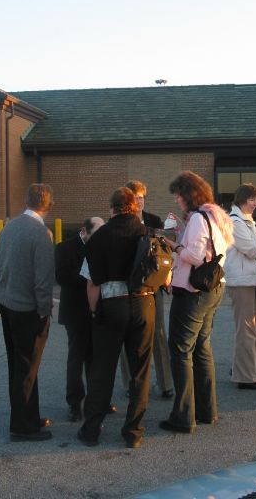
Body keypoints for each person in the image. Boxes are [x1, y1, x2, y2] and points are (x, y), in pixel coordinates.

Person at [77, 187, 154, 449]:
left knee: (103, 369)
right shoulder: (146, 232)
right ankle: (133, 431)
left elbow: (92, 282)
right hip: (144, 303)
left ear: (112, 208)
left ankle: (91, 430)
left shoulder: (99, 237)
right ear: (134, 206)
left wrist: (94, 311)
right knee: (140, 371)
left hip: (111, 305)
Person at [159, 171, 233, 433]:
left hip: (193, 291)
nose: (176, 199)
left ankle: (183, 417)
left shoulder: (199, 219)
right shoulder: (214, 216)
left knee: (180, 350)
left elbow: (196, 255)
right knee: (201, 348)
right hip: (213, 288)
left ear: (189, 194)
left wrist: (174, 246)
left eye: (178, 194)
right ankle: (206, 410)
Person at [0, 183, 55, 442]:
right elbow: (43, 280)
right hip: (28, 310)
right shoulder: (41, 234)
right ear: (49, 205)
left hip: (7, 302)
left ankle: (27, 416)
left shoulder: (9, 227)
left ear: (25, 201)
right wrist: (44, 310)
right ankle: (22, 427)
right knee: (27, 368)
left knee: (19, 366)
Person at [55, 216, 117, 422]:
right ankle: (74, 403)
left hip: (97, 310)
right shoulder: (65, 248)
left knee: (96, 359)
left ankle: (97, 400)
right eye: (96, 234)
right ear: (84, 231)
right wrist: (90, 277)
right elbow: (62, 276)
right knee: (76, 358)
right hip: (75, 312)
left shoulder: (103, 247)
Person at [119, 180, 174, 399]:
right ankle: (130, 384)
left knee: (158, 333)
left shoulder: (154, 221)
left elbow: (164, 249)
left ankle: (165, 383)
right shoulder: (120, 222)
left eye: (142, 197)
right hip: (128, 287)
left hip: (152, 286)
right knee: (127, 337)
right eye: (135, 198)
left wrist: (167, 274)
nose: (139, 201)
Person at [224, 183, 256, 390]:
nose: (255, 203)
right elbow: (253, 249)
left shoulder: (247, 221)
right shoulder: (235, 222)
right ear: (242, 199)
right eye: (252, 199)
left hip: (252, 280)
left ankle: (242, 369)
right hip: (241, 281)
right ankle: (245, 377)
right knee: (247, 330)